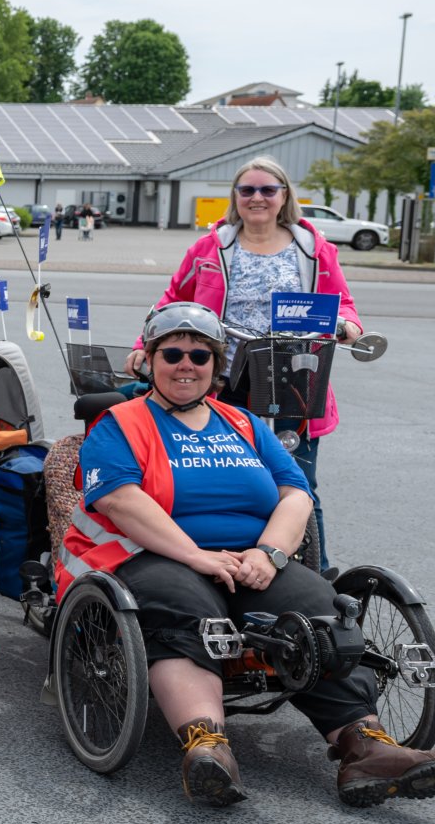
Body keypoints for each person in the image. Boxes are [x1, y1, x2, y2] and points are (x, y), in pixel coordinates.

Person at [66, 302, 435, 808]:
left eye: (199, 355)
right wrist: (197, 557)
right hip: (152, 553)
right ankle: (208, 747)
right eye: (172, 353)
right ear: (149, 359)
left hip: (249, 557)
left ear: (216, 365)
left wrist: (271, 554)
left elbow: (296, 494)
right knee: (187, 613)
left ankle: (363, 748)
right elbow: (120, 500)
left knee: (320, 612)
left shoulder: (245, 423)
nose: (185, 364)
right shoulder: (119, 423)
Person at [127, 157, 364, 571]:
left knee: (299, 483)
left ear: (284, 196)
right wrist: (141, 344)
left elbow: (342, 301)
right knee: (222, 478)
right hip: (220, 379)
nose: (257, 198)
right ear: (234, 197)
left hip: (292, 380)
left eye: (267, 190)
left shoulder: (313, 248)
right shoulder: (211, 246)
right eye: (247, 190)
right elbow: (171, 301)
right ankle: (217, 561)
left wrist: (348, 325)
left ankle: (316, 578)